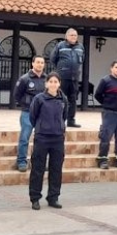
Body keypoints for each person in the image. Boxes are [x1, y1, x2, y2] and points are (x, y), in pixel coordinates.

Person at [29, 73, 68, 210]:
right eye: (50, 81)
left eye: (55, 81)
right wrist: (41, 127)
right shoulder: (39, 99)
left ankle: (53, 197)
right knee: (38, 169)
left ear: (59, 84)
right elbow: (32, 116)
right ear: (46, 84)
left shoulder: (63, 99)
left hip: (58, 138)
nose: (53, 84)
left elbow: (65, 116)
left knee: (56, 169)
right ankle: (35, 198)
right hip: (42, 137)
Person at [93, 61, 117, 169]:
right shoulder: (105, 81)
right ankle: (102, 160)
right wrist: (107, 104)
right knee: (105, 137)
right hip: (109, 114)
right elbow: (97, 95)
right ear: (111, 69)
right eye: (116, 67)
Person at [14, 56, 46, 172]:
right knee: (24, 138)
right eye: (37, 62)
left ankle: (39, 162)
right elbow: (17, 95)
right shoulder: (24, 79)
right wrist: (26, 104)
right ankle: (21, 161)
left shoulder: (46, 79)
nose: (40, 65)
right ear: (32, 64)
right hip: (27, 112)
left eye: (42, 63)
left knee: (42, 139)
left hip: (42, 114)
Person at [51, 28, 85, 128]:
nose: (73, 37)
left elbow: (81, 60)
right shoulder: (60, 46)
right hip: (63, 77)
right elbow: (53, 59)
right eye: (71, 35)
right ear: (66, 36)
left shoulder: (80, 47)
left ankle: (71, 120)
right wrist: (62, 69)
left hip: (74, 78)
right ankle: (59, 120)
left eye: (75, 35)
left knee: (73, 99)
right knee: (61, 99)